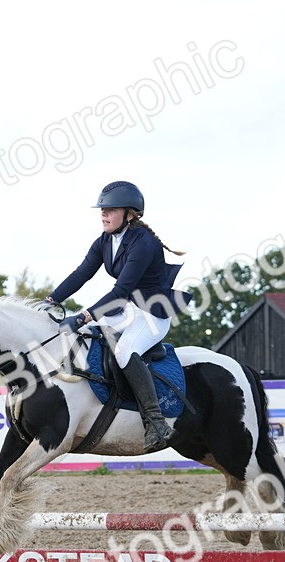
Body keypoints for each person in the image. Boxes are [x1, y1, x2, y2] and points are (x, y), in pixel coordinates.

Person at [46, 180, 188, 450]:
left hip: (151, 314)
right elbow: (81, 274)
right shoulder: (105, 241)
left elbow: (121, 291)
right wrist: (51, 300)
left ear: (130, 214)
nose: (104, 214)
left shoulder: (144, 243)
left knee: (124, 351)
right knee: (85, 335)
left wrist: (85, 315)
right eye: (102, 210)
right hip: (126, 310)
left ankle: (156, 422)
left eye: (110, 210)